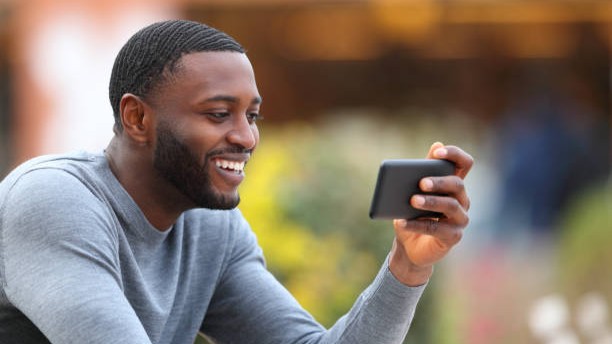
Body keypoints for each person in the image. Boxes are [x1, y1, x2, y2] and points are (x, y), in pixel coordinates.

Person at [0, 19, 473, 344]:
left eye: (252, 116)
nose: (246, 137)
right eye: (219, 114)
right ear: (137, 117)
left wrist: (407, 266)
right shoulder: (53, 201)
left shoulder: (211, 229)